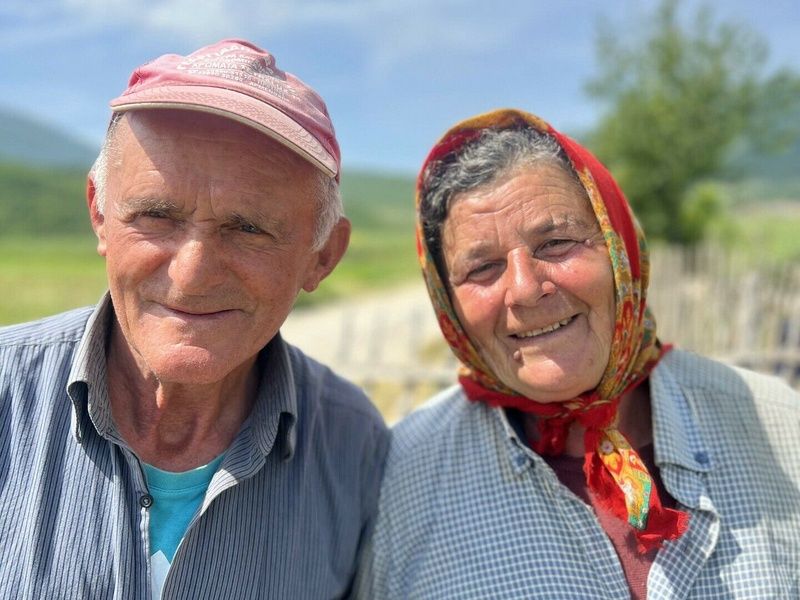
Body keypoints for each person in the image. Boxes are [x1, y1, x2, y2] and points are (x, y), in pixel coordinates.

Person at [0, 39, 389, 599]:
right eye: (156, 215)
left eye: (248, 228)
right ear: (100, 215)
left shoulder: (354, 448)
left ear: (323, 254)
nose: (191, 274)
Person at [356, 109, 800, 598]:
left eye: (557, 242)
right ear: (448, 301)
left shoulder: (778, 425)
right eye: (482, 268)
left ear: (620, 253)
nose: (524, 290)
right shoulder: (403, 478)